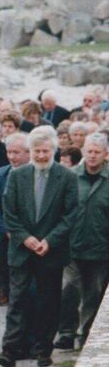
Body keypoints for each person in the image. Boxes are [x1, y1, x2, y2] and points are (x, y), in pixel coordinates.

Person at [0, 126, 80, 367]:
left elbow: (71, 214)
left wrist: (49, 240)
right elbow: (9, 211)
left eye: (45, 151)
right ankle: (10, 349)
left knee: (48, 301)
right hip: (22, 249)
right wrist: (25, 238)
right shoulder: (18, 175)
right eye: (37, 151)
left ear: (54, 150)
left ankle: (43, 349)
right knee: (18, 299)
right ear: (29, 151)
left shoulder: (67, 177)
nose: (41, 156)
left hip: (51, 251)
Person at [67, 133, 109, 349]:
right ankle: (66, 332)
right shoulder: (71, 176)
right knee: (69, 289)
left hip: (100, 249)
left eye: (97, 152)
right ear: (83, 152)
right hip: (72, 247)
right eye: (89, 151)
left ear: (106, 155)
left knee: (93, 293)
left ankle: (86, 334)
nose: (92, 156)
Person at [0, 133, 31, 306]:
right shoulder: (0, 174)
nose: (12, 157)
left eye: (16, 152)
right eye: (9, 152)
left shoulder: (35, 174)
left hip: (30, 230)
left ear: (28, 153)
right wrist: (7, 230)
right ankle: (2, 289)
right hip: (6, 229)